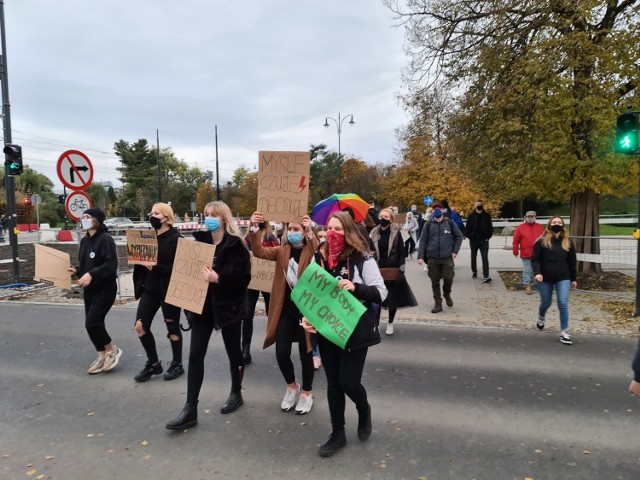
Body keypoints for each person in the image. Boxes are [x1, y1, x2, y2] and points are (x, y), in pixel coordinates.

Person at [302, 211, 388, 457]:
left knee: (349, 382)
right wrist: (307, 318)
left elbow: (382, 293)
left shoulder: (362, 259)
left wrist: (357, 287)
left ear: (348, 232)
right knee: (333, 385)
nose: (332, 233)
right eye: (329, 228)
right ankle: (337, 433)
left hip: (354, 332)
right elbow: (311, 295)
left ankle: (363, 409)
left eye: (338, 229)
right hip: (328, 331)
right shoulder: (318, 259)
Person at [166, 201, 251, 430]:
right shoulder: (199, 243)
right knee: (195, 355)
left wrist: (219, 278)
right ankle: (190, 408)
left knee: (234, 354)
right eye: (206, 215)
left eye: (214, 215)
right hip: (202, 308)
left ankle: (236, 392)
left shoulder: (236, 245)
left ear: (223, 218)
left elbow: (244, 281)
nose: (209, 218)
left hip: (228, 307)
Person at [248, 211, 318, 415]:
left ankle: (306, 393)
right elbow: (259, 252)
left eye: (297, 229)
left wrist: (310, 232)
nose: (293, 232)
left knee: (306, 355)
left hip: (306, 311)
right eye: (290, 229)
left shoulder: (311, 251)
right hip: (286, 311)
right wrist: (253, 228)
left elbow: (320, 252)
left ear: (303, 232)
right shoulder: (282, 251)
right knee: (281, 353)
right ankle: (291, 386)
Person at [132, 203, 184, 383]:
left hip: (168, 289)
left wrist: (156, 267)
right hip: (150, 289)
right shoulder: (148, 237)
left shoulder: (176, 238)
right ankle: (153, 363)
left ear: (166, 217)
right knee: (140, 326)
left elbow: (179, 268)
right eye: (151, 212)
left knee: (173, 329)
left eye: (156, 213)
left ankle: (177, 363)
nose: (152, 216)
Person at [68, 208, 122, 374]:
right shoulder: (84, 241)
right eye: (82, 217)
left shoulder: (105, 239)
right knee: (91, 325)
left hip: (105, 288)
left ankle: (112, 350)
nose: (83, 220)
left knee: (93, 321)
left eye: (87, 217)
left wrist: (92, 274)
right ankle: (102, 355)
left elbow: (111, 265)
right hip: (90, 289)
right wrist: (77, 271)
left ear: (97, 220)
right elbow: (86, 265)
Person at [370, 207, 417, 335]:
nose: (382, 219)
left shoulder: (398, 231)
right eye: (381, 216)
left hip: (393, 269)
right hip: (377, 270)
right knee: (377, 299)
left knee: (392, 300)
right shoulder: (374, 232)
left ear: (391, 219)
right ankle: (376, 324)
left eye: (386, 217)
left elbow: (402, 252)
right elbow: (370, 251)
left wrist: (401, 270)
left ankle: (390, 323)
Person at [531, 216, 577, 345]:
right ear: (549, 225)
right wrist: (537, 273)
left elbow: (572, 261)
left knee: (563, 303)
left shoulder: (568, 242)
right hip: (545, 277)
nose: (557, 224)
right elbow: (535, 259)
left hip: (563, 276)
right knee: (546, 302)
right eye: (554, 222)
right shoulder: (541, 241)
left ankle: (564, 332)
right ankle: (541, 317)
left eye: (559, 222)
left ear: (563, 225)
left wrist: (573, 278)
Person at [242, 221, 279, 365]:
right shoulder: (248, 236)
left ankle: (278, 347)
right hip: (252, 281)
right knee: (247, 315)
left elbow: (276, 257)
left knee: (272, 315)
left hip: (267, 280)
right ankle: (245, 350)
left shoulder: (270, 237)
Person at [417, 202, 463, 313]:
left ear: (443, 210)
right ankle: (438, 304)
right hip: (432, 259)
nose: (437, 210)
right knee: (435, 281)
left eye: (439, 208)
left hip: (447, 257)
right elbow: (423, 241)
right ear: (432, 211)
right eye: (434, 209)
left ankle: (447, 294)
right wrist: (420, 256)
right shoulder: (428, 224)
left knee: (448, 278)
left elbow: (459, 236)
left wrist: (455, 251)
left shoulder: (449, 223)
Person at [512, 211, 545, 295]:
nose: (530, 218)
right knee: (527, 269)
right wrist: (515, 250)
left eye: (532, 217)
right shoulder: (520, 228)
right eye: (528, 217)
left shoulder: (540, 227)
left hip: (539, 253)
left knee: (538, 269)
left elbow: (545, 239)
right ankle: (527, 285)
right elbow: (516, 240)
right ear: (525, 217)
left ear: (535, 217)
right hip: (526, 252)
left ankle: (538, 284)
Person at [465, 199, 493, 283]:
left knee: (485, 258)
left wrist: (488, 236)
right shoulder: (471, 216)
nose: (479, 205)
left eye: (480, 204)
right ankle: (474, 271)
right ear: (475, 206)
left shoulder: (487, 216)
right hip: (474, 240)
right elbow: (467, 228)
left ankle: (486, 276)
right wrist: (470, 237)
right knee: (473, 257)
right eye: (477, 204)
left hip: (484, 240)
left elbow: (490, 227)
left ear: (482, 205)